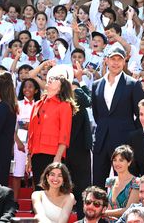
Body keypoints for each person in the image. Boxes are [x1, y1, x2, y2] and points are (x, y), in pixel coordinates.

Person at [92, 44, 144, 188]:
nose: (116, 62)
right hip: (101, 140)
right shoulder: (96, 85)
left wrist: (132, 138)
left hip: (124, 141)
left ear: (124, 61)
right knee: (98, 182)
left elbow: (141, 115)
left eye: (119, 59)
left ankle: (123, 210)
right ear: (106, 61)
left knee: (124, 183)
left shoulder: (133, 84)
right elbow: (98, 114)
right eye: (113, 59)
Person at [26, 65, 77, 189]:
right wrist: (29, 157)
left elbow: (64, 134)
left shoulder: (64, 105)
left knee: (52, 191)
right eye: (50, 77)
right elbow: (31, 131)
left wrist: (58, 157)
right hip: (36, 154)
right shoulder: (38, 104)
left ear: (60, 87)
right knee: (38, 191)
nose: (50, 79)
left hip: (53, 154)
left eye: (55, 78)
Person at [67, 63, 93, 219]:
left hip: (81, 148)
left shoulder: (79, 98)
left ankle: (83, 217)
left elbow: (88, 100)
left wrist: (78, 81)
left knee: (82, 184)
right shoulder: (59, 98)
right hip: (64, 147)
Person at [104, 145, 140, 222]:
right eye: (114, 160)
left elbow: (129, 210)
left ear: (129, 162)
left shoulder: (136, 182)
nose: (117, 163)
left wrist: (103, 213)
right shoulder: (110, 181)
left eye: (121, 160)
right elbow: (109, 207)